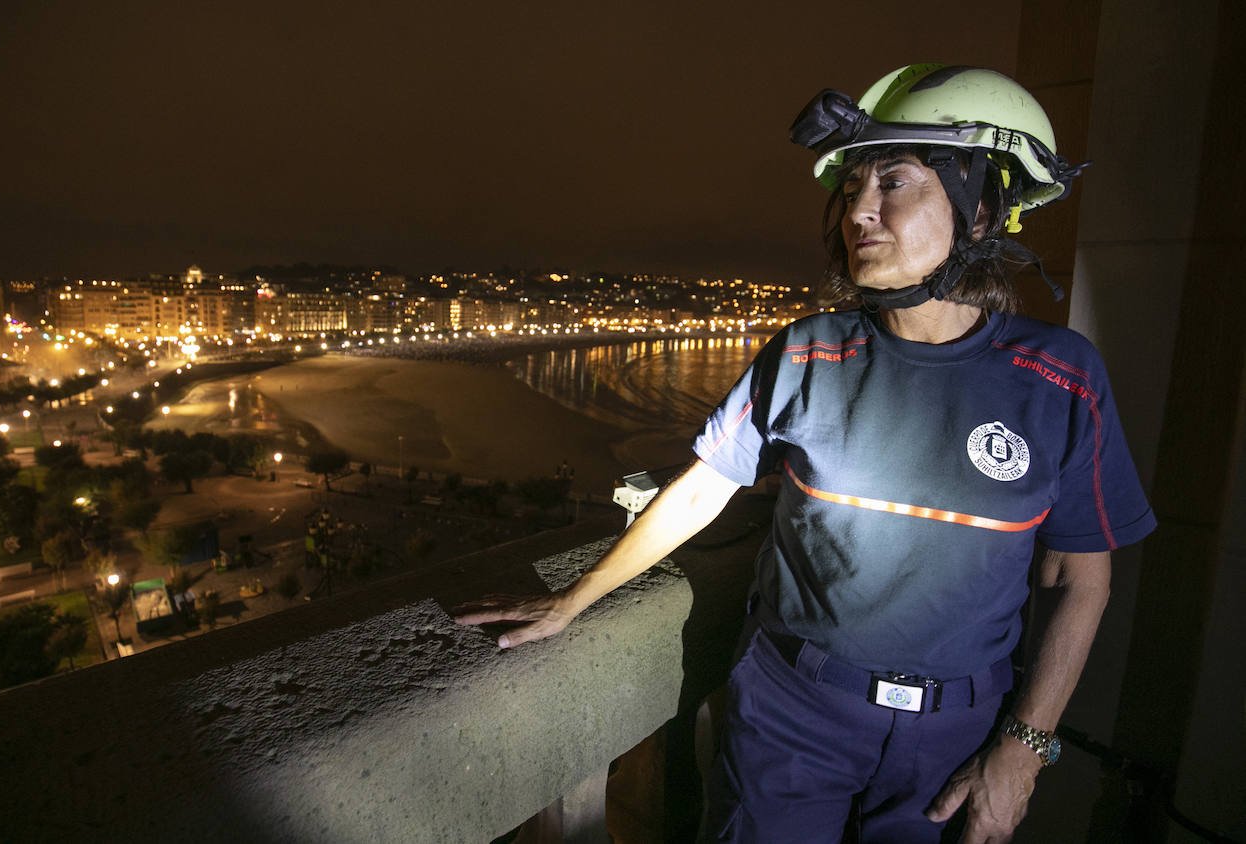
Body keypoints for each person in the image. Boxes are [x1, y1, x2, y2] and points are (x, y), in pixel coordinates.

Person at [453, 64, 1155, 843]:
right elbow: (700, 490)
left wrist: (1024, 751)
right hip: (792, 714)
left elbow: (1078, 575)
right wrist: (573, 600)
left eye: (894, 182)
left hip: (956, 737)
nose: (860, 211)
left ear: (980, 207)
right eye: (852, 187)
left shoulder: (1060, 376)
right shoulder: (807, 353)